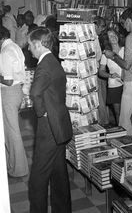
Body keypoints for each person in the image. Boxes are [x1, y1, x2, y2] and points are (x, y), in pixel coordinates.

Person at [28, 27, 72, 213]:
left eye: (30, 45)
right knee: (59, 174)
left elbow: (35, 92)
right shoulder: (53, 60)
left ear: (38, 44)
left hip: (48, 128)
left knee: (37, 180)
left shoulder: (43, 66)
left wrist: (41, 113)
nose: (29, 48)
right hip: (60, 125)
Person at [104, 7, 132, 138]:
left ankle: (127, 148)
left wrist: (113, 56)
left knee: (124, 119)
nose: (123, 26)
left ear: (129, 20)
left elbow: (126, 65)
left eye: (123, 23)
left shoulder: (131, 37)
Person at [0, 26, 28, 177]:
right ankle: (14, 165)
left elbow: (8, 81)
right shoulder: (15, 46)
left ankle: (17, 169)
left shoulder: (4, 52)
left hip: (8, 92)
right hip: (17, 92)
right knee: (12, 131)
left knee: (12, 132)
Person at [99, 28, 125, 124]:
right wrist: (110, 75)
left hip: (127, 83)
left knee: (126, 111)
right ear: (107, 40)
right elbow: (100, 72)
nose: (113, 37)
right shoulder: (106, 54)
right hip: (114, 85)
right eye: (110, 36)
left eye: (114, 34)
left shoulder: (125, 50)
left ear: (118, 35)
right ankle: (121, 133)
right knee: (118, 113)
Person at [94, 16, 110, 124]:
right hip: (96, 71)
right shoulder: (94, 38)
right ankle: (103, 122)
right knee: (100, 99)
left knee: (102, 98)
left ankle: (104, 121)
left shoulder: (97, 37)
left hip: (99, 70)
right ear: (96, 25)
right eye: (101, 27)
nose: (102, 30)